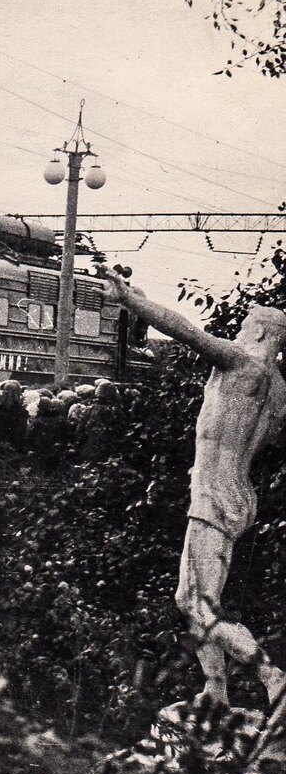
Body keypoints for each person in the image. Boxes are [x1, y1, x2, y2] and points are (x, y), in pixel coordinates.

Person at [101, 265, 286, 720]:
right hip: (234, 495)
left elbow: (187, 332)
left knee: (200, 604)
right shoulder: (278, 389)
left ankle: (273, 679)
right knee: (190, 600)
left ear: (261, 333)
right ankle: (216, 689)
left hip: (214, 495)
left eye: (244, 327)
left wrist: (131, 301)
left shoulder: (244, 365)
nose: (238, 333)